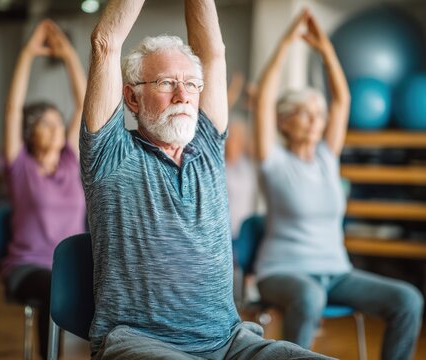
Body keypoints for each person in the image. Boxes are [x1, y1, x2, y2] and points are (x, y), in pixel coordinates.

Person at [80, 1, 332, 359]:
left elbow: (212, 53)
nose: (183, 95)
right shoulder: (111, 154)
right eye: (167, 83)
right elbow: (105, 42)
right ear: (132, 97)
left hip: (229, 341)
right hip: (140, 342)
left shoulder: (208, 146)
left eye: (192, 84)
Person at [254, 9, 423, 360]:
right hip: (282, 271)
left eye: (320, 114)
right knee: (309, 296)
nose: (317, 121)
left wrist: (324, 48)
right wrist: (287, 43)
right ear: (285, 122)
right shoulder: (273, 161)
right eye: (307, 113)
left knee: (408, 299)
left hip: (336, 271)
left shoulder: (326, 158)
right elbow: (265, 100)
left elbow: (343, 100)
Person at [1, 19, 87, 360]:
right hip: (26, 268)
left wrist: (68, 55)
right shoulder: (19, 165)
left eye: (57, 120)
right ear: (29, 132)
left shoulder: (70, 161)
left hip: (70, 265)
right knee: (57, 286)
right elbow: (11, 108)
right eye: (44, 122)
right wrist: (27, 53)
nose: (55, 126)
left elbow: (82, 105)